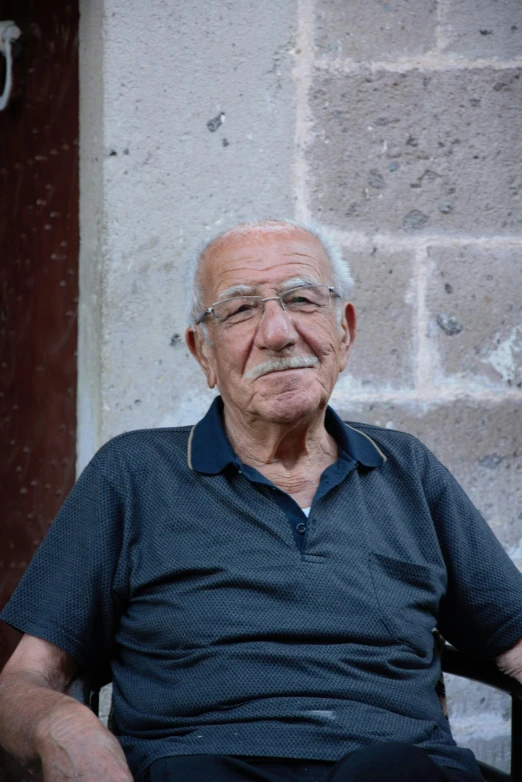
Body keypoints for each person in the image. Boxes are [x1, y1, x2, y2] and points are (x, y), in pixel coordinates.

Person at [0, 218, 521, 782]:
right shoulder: (132, 473)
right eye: (241, 310)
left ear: (343, 331)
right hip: (198, 766)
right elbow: (24, 678)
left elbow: (512, 637)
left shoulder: (407, 469)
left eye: (301, 299)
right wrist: (62, 727)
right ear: (203, 352)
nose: (278, 331)